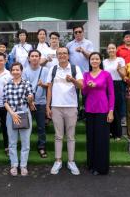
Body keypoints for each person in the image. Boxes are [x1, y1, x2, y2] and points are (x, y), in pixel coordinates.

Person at [46, 47, 83, 175]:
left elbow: (81, 86)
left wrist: (72, 79)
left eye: (64, 53)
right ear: (57, 56)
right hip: (56, 106)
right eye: (59, 53)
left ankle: (71, 161)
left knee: (71, 136)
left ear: (68, 55)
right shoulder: (53, 69)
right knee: (58, 136)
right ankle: (58, 161)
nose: (62, 55)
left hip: (71, 106)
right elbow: (49, 89)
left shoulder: (75, 68)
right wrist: (47, 106)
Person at [83, 52, 114, 175]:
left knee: (101, 139)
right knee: (91, 139)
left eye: (97, 59)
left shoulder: (106, 74)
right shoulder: (86, 74)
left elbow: (111, 94)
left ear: (100, 61)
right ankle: (91, 165)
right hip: (89, 110)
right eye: (92, 59)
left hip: (103, 110)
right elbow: (84, 93)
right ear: (89, 61)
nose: (94, 61)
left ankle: (101, 167)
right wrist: (89, 86)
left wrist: (111, 111)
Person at [3, 62, 34, 176]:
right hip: (11, 115)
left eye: (18, 70)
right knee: (12, 142)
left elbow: (30, 99)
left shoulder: (26, 83)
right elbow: (5, 101)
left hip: (25, 113)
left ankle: (23, 165)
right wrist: (12, 113)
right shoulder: (7, 84)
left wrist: (30, 98)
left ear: (21, 71)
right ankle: (14, 165)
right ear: (11, 71)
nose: (15, 72)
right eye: (13, 70)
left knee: (25, 142)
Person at [23, 50, 49, 158]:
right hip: (27, 103)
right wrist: (29, 101)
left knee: (41, 127)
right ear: (29, 58)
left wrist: (43, 84)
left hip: (41, 102)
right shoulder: (24, 71)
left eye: (36, 56)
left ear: (39, 58)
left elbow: (50, 86)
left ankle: (41, 147)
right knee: (25, 127)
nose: (34, 58)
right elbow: (23, 87)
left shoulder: (46, 70)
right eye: (32, 56)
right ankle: (25, 147)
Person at [66, 25, 94, 119]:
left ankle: (86, 112)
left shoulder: (88, 43)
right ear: (73, 33)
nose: (78, 34)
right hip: (73, 73)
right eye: (76, 32)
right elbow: (67, 58)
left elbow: (91, 57)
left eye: (80, 32)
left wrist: (82, 51)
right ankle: (76, 113)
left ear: (83, 32)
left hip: (85, 72)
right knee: (75, 94)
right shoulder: (69, 44)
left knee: (86, 93)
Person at [103, 43, 126, 141]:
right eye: (109, 48)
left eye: (113, 48)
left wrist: (118, 70)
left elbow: (124, 75)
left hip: (117, 85)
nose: (111, 50)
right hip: (107, 85)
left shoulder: (120, 60)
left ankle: (118, 133)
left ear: (116, 49)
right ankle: (109, 132)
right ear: (107, 50)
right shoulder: (104, 62)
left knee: (116, 109)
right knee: (108, 109)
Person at [117, 30, 130, 125]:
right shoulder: (119, 49)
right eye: (126, 37)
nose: (128, 38)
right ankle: (123, 117)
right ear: (123, 39)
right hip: (122, 77)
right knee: (122, 97)